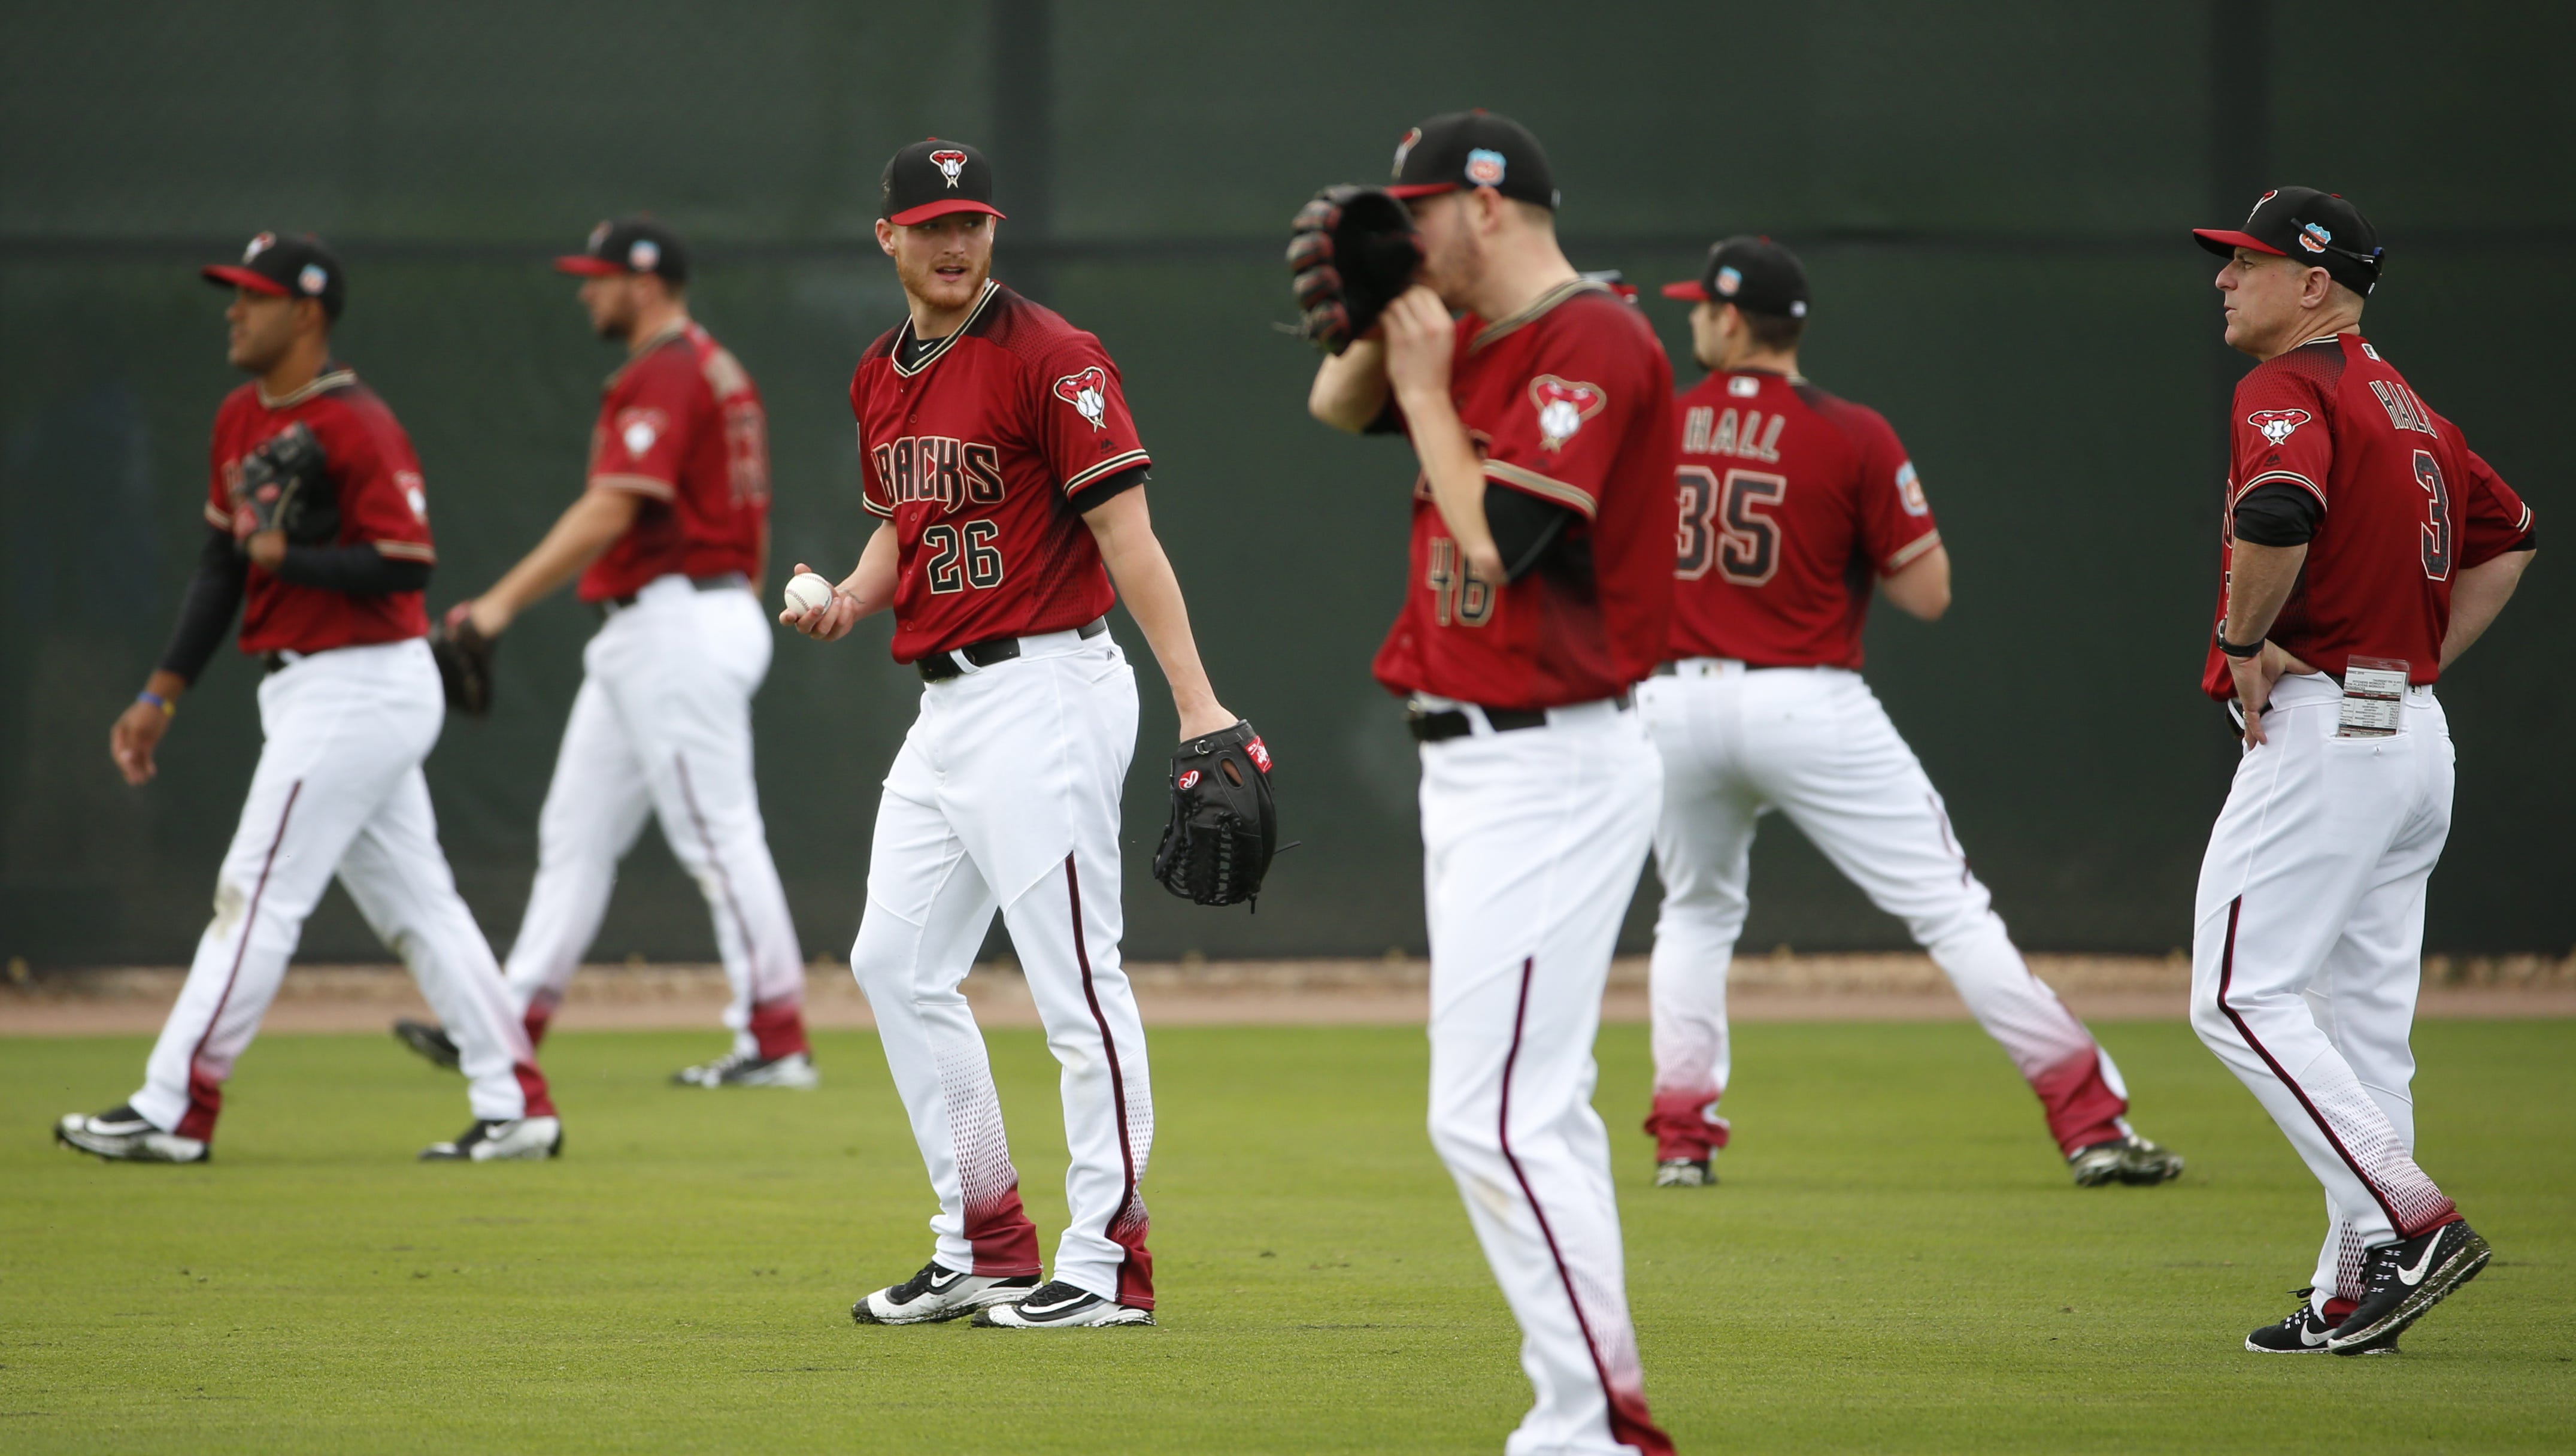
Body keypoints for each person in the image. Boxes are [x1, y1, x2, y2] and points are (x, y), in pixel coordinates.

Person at [786, 140, 1239, 1330]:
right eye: (929, 223)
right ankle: (984, 1238)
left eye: (971, 221)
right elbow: (906, 525)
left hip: (1047, 691)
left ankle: (1107, 1263)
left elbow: (1129, 539)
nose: (953, 242)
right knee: (894, 964)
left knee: (1076, 986)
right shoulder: (878, 376)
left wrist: (1201, 702)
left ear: (993, 231)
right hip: (948, 707)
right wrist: (846, 592)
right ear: (885, 236)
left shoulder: (1055, 357)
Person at [1635, 237, 2184, 1190]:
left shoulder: (1658, 426)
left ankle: (1682, 1142)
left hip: (1670, 702)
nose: (1689, 320)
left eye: (1698, 307)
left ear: (1729, 318)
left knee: (1692, 916)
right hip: (1805, 699)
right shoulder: (1851, 432)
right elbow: (1926, 595)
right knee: (1951, 915)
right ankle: (2089, 1122)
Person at [1307, 111, 1676, 1456]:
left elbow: (1505, 538)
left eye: (1421, 216)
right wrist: (1380, 318)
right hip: (1476, 763)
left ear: (1489, 205)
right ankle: (1584, 1417)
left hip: (1553, 759)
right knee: (1534, 1111)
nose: (1406, 237)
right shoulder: (1465, 324)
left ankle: (1601, 1424)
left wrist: (1417, 381)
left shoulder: (1595, 337)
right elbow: (1331, 403)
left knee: (1493, 1115)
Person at [58, 232, 559, 1164]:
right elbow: (222, 565)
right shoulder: (238, 418)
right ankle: (517, 1101)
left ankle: (176, 1106)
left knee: (254, 894)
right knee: (421, 905)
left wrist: (294, 558)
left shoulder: (355, 423)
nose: (233, 310)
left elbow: (407, 557)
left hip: (361, 681)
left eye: (253, 295)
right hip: (307, 687)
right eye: (232, 294)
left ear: (308, 312)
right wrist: (158, 695)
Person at [2187, 189, 2533, 1355]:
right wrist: (2417, 659)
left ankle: (2412, 1218)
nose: (2226, 279)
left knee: (2238, 995)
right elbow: (2512, 536)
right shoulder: (2413, 407)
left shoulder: (2292, 386)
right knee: (2362, 1028)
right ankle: (2357, 1289)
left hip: (2331, 727)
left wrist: (2242, 642)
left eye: (2248, 262)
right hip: (2410, 727)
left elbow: (2279, 509)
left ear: (2315, 285)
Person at [391, 218, 814, 1088]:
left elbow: (612, 507)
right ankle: (507, 1023)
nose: (586, 290)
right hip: (666, 621)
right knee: (574, 835)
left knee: (715, 834)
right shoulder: (710, 364)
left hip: (674, 624)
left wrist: (497, 606)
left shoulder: (666, 371)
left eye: (601, 276)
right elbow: (750, 512)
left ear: (646, 283)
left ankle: (775, 1040)